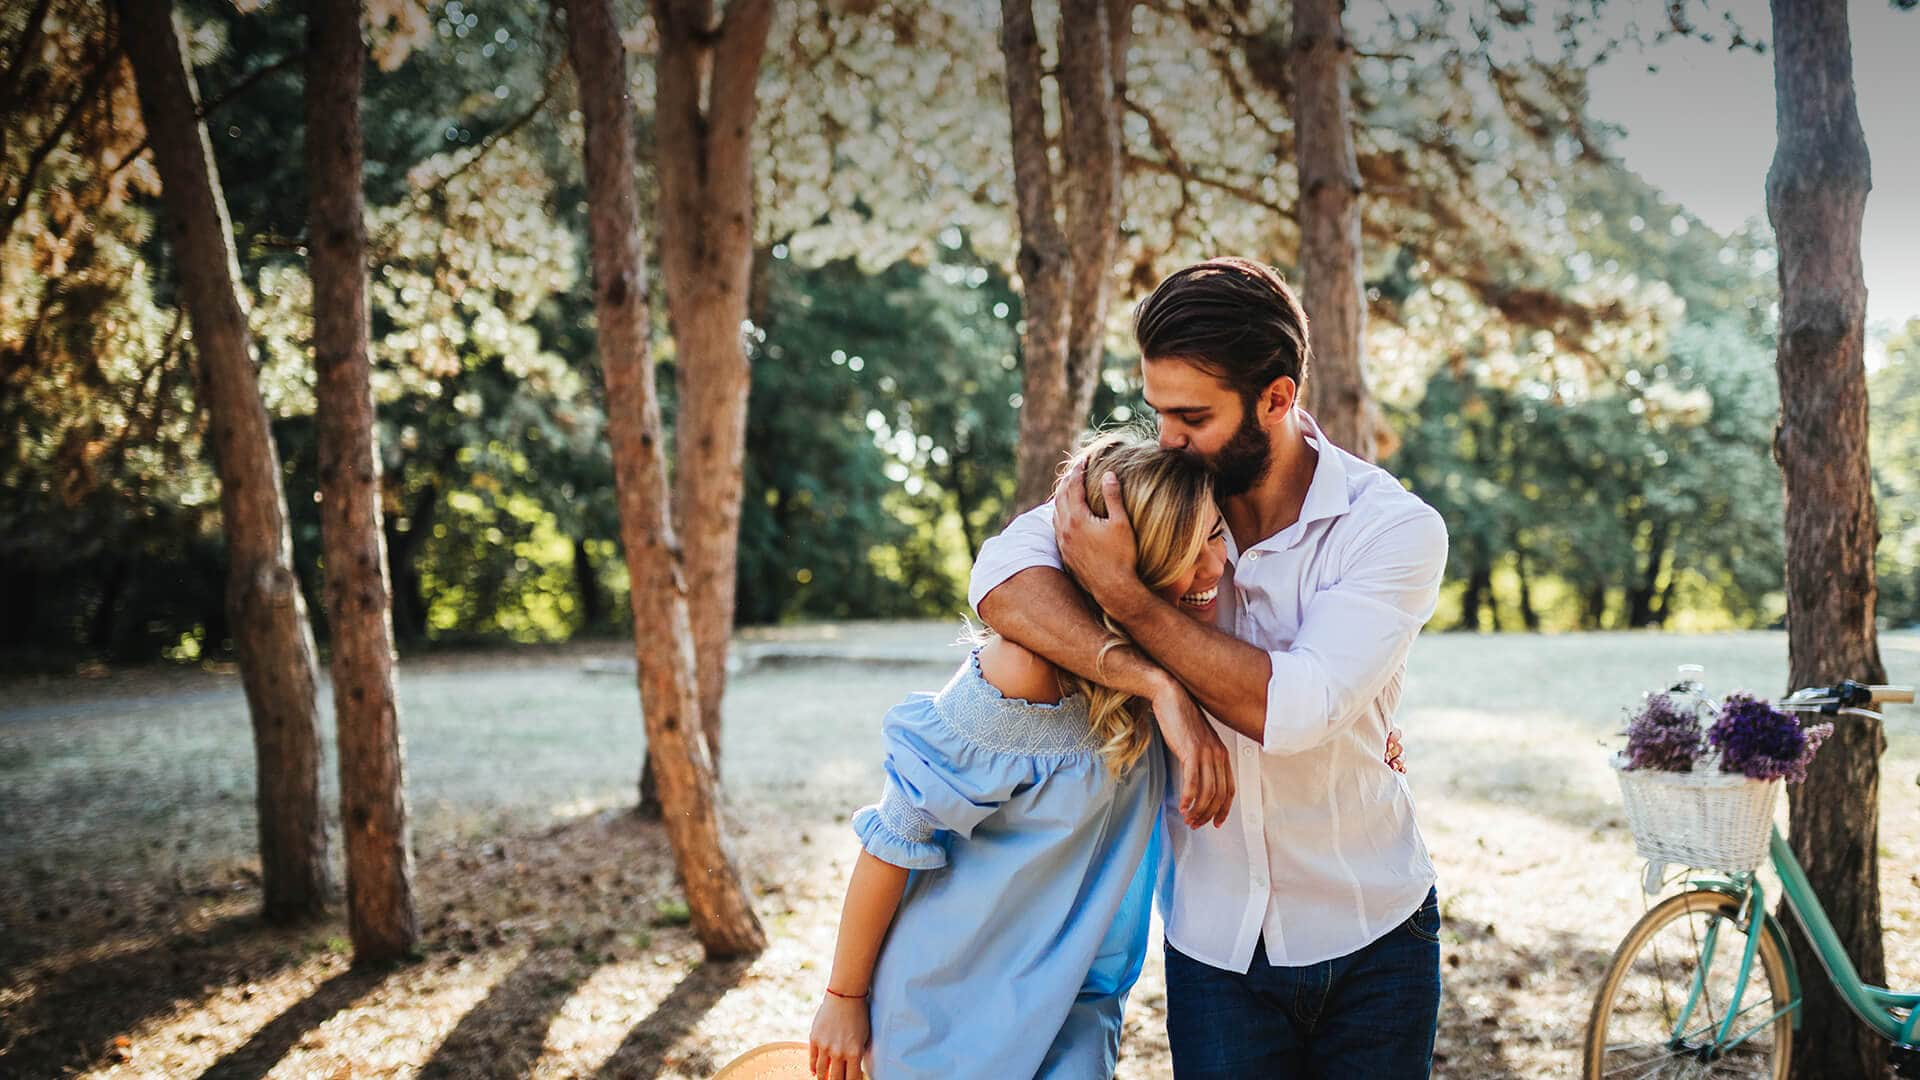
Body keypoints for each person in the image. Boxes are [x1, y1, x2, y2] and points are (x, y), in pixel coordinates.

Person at [970, 257, 1450, 1078]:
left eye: (1192, 415)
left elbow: (1295, 709)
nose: (1169, 440)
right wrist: (1156, 683)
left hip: (1376, 940)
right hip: (1214, 949)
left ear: (1277, 397)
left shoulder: (1392, 529)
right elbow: (1001, 582)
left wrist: (1126, 593)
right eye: (1158, 413)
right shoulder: (1156, 491)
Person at [805, 433, 1233, 1080]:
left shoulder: (1177, 650)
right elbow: (895, 836)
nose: (1214, 567)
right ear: (1123, 565)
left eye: (1216, 532)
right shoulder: (1025, 668)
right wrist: (843, 997)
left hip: (1077, 1014)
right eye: (1185, 549)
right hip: (949, 1015)